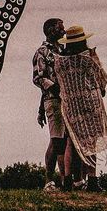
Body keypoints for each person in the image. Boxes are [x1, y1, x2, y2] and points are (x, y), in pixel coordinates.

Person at [53, 25, 107, 191]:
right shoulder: (88, 58)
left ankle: (67, 180)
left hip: (70, 105)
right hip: (90, 103)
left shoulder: (59, 62)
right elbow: (102, 78)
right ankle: (92, 179)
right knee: (92, 140)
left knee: (71, 141)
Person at [33, 18, 67, 190]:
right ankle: (50, 180)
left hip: (64, 99)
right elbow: (38, 78)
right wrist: (56, 88)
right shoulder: (42, 52)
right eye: (60, 28)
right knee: (56, 140)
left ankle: (60, 179)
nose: (63, 31)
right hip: (53, 99)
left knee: (60, 139)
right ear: (50, 30)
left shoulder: (62, 50)